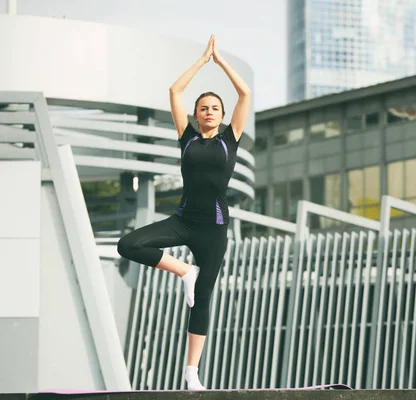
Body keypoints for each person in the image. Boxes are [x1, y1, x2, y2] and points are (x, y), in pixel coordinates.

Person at [117, 34, 251, 390]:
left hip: (215, 229)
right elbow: (175, 91)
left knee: (202, 300)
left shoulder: (229, 140)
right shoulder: (187, 136)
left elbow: (245, 95)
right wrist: (200, 61)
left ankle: (192, 373)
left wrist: (220, 61)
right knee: (128, 244)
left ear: (223, 117)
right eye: (203, 108)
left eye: (214, 109)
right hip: (183, 221)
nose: (209, 112)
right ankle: (183, 271)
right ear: (195, 115)